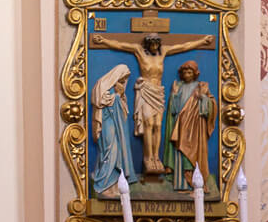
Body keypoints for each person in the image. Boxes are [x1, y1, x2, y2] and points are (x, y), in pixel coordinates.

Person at [90, 30, 214, 174]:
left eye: (156, 44)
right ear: (147, 44)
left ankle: (156, 157)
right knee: (148, 124)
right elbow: (121, 45)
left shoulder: (163, 52)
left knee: (158, 125)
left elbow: (183, 46)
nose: (154, 46)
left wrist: (202, 41)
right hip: (146, 91)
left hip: (158, 92)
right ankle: (148, 158)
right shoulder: (139, 51)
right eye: (152, 44)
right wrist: (104, 40)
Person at [166, 59, 216, 191]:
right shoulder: (179, 87)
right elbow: (173, 110)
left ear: (195, 73)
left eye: (190, 72)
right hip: (180, 124)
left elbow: (210, 105)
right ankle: (181, 183)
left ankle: (195, 181)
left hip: (195, 126)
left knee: (193, 152)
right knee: (180, 150)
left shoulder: (201, 86)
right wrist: (174, 95)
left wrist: (203, 98)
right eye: (184, 72)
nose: (187, 75)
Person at [92, 63, 136, 196]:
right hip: (107, 124)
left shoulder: (118, 90)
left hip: (116, 127)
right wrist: (117, 96)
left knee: (117, 154)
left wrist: (120, 97)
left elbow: (123, 112)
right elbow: (100, 103)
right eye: (122, 79)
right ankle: (104, 185)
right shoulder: (102, 86)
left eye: (125, 80)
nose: (124, 82)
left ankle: (114, 185)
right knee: (109, 151)